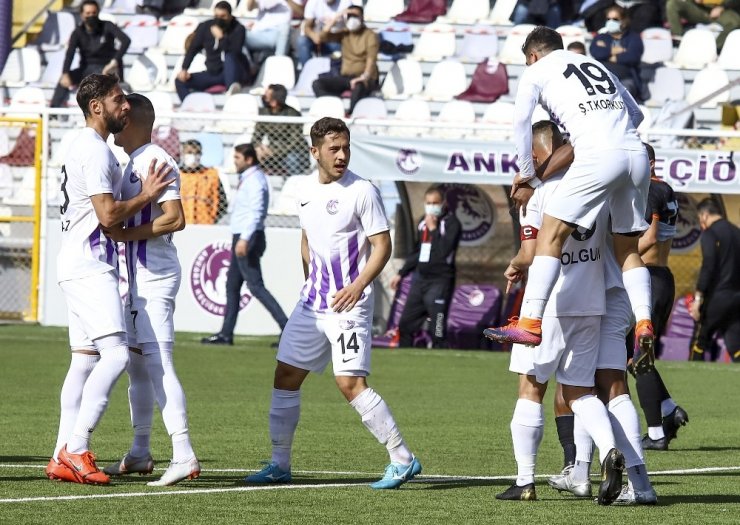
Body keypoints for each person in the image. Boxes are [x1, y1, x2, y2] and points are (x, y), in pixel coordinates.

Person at [243, 117, 421, 489]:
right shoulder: (304, 190)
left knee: (350, 383)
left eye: (346, 148)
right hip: (312, 303)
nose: (341, 155)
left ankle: (402, 458)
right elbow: (307, 240)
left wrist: (358, 285)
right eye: (333, 149)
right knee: (285, 377)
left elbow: (382, 245)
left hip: (348, 304)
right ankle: (279, 464)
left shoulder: (362, 191)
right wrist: (309, 280)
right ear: (314, 152)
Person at [485, 27, 655, 367]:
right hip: (635, 154)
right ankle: (644, 321)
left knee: (550, 234)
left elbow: (521, 123)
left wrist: (529, 175)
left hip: (597, 154)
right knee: (628, 250)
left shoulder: (537, 70)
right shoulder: (591, 62)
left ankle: (531, 321)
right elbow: (637, 115)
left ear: (532, 56)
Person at [45, 74, 172, 485]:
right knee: (116, 356)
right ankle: (77, 449)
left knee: (83, 362)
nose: (125, 107)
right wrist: (148, 195)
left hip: (76, 261)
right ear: (96, 106)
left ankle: (58, 455)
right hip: (90, 264)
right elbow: (108, 216)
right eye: (118, 99)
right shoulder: (96, 151)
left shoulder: (82, 145)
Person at [493, 120, 626, 505]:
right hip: (590, 303)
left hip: (547, 305)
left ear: (537, 156)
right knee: (581, 391)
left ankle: (524, 481)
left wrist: (516, 262)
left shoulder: (540, 195)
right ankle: (608, 451)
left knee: (530, 387)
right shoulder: (595, 191)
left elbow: (533, 253)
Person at [100, 93, 200, 487]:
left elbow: (175, 219)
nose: (118, 122)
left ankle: (184, 453)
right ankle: (141, 452)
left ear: (136, 120)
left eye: (124, 116)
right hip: (138, 278)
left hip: (154, 275)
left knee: (158, 365)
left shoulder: (155, 159)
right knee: (137, 366)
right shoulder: (133, 161)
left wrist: (125, 235)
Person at [201, 144, 289, 346]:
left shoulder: (255, 181)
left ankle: (288, 329)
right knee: (232, 285)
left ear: (249, 159)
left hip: (248, 236)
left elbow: (257, 213)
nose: (235, 161)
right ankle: (226, 333)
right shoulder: (249, 179)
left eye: (238, 157)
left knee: (256, 286)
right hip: (243, 235)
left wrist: (244, 239)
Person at [633, 143, 689, 451]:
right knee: (636, 357)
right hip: (660, 277)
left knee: (637, 358)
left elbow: (650, 237)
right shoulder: (661, 188)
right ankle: (668, 409)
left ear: (650, 163)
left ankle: (656, 433)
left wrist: (617, 260)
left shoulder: (651, 189)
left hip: (650, 278)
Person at [390, 185, 462, 348]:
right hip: (420, 280)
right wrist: (401, 273)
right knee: (406, 324)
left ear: (443, 203)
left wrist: (434, 229)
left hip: (440, 281)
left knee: (436, 328)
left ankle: (440, 359)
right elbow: (417, 251)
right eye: (428, 203)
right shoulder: (423, 222)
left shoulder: (452, 223)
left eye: (435, 203)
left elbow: (444, 251)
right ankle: (405, 359)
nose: (431, 206)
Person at [50, 0, 131, 109]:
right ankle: (52, 113)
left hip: (106, 68)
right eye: (88, 13)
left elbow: (126, 41)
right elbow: (70, 54)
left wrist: (114, 61)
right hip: (86, 68)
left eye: (94, 13)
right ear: (82, 15)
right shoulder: (77, 32)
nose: (91, 16)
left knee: (102, 82)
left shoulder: (107, 26)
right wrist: (65, 73)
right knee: (63, 81)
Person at [689, 198, 740, 362]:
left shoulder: (710, 234)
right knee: (735, 343)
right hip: (737, 297)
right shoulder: (736, 232)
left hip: (718, 297)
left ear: (704, 215)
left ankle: (690, 378)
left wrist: (698, 298)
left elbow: (708, 266)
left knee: (700, 340)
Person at [312, 4, 379, 115]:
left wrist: (363, 77)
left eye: (355, 15)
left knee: (358, 87)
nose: (352, 18)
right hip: (346, 77)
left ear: (362, 17)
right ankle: (335, 108)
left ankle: (351, 115)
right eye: (350, 15)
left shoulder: (370, 35)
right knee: (318, 84)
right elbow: (321, 37)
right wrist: (337, 17)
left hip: (365, 79)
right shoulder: (344, 34)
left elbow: (371, 59)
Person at [175, 1, 248, 102]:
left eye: (223, 16)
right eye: (216, 16)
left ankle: (231, 92)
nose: (219, 19)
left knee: (229, 56)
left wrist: (221, 38)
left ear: (230, 16)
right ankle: (191, 105)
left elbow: (235, 52)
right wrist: (184, 68)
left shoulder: (238, 29)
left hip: (233, 73)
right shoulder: (205, 27)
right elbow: (193, 49)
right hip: (213, 73)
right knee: (179, 81)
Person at [589, 6, 645, 103]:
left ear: (623, 21)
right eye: (608, 19)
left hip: (625, 80)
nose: (611, 22)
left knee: (623, 95)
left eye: (615, 19)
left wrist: (606, 54)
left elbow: (633, 57)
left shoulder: (633, 37)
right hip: (600, 81)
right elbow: (595, 52)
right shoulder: (601, 37)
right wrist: (614, 51)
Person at [252, 84, 311, 176]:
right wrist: (258, 148)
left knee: (292, 159)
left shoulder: (293, 114)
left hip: (291, 151)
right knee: (250, 155)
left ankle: (295, 183)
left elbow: (294, 142)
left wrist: (274, 152)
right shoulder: (263, 113)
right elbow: (257, 135)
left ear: (274, 101)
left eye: (267, 95)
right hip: (271, 150)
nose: (263, 97)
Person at [179, 139, 227, 225]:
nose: (194, 156)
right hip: (181, 223)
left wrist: (212, 219)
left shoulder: (211, 174)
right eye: (189, 152)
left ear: (201, 154)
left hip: (205, 223)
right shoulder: (177, 175)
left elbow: (223, 202)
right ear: (183, 154)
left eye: (197, 153)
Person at [296, 0, 352, 67]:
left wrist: (330, 28)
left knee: (337, 47)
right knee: (302, 41)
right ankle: (307, 69)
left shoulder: (346, 3)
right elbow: (307, 27)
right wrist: (313, 36)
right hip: (319, 38)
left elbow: (351, 29)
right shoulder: (313, 2)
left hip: (336, 39)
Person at [666, 0, 740, 51]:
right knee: (673, 4)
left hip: (724, 11)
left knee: (734, 22)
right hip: (701, 11)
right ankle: (679, 42)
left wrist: (722, 7)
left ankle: (715, 49)